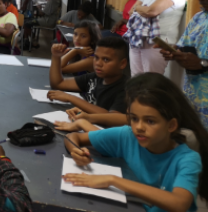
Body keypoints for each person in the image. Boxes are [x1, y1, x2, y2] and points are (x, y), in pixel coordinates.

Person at [63, 73, 207, 212]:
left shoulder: (188, 159)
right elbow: (72, 137)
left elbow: (179, 203)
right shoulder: (127, 135)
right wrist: (76, 150)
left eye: (150, 121)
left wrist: (112, 180)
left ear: (171, 125)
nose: (139, 127)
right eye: (134, 118)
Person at [158, 0, 208, 128]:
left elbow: (199, 62)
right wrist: (175, 52)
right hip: (194, 104)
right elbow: (184, 47)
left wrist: (201, 63)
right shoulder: (198, 19)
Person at [124, 0, 186, 76]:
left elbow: (152, 11)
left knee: (151, 80)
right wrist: (143, 9)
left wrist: (140, 8)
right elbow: (131, 11)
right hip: (138, 37)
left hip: (158, 40)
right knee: (136, 79)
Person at [48, 36, 129, 114]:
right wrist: (56, 57)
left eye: (105, 59)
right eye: (96, 57)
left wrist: (70, 98)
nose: (98, 63)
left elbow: (111, 117)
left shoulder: (126, 89)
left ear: (122, 63)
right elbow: (58, 83)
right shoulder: (94, 77)